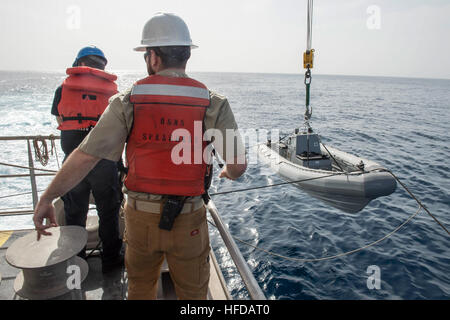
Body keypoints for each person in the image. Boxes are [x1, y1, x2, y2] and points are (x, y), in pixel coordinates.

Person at [34, 13, 247, 299]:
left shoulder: (128, 100)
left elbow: (85, 156)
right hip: (189, 221)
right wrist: (228, 173)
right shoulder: (213, 102)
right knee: (195, 296)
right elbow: (238, 165)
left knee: (140, 290)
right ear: (186, 55)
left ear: (154, 57)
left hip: (140, 221)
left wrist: (47, 198)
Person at [51, 46, 123, 273]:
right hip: (104, 161)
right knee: (108, 211)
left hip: (73, 161)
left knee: (75, 213)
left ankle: (77, 262)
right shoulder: (113, 93)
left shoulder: (62, 89)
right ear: (103, 66)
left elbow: (59, 118)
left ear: (77, 63)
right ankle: (111, 260)